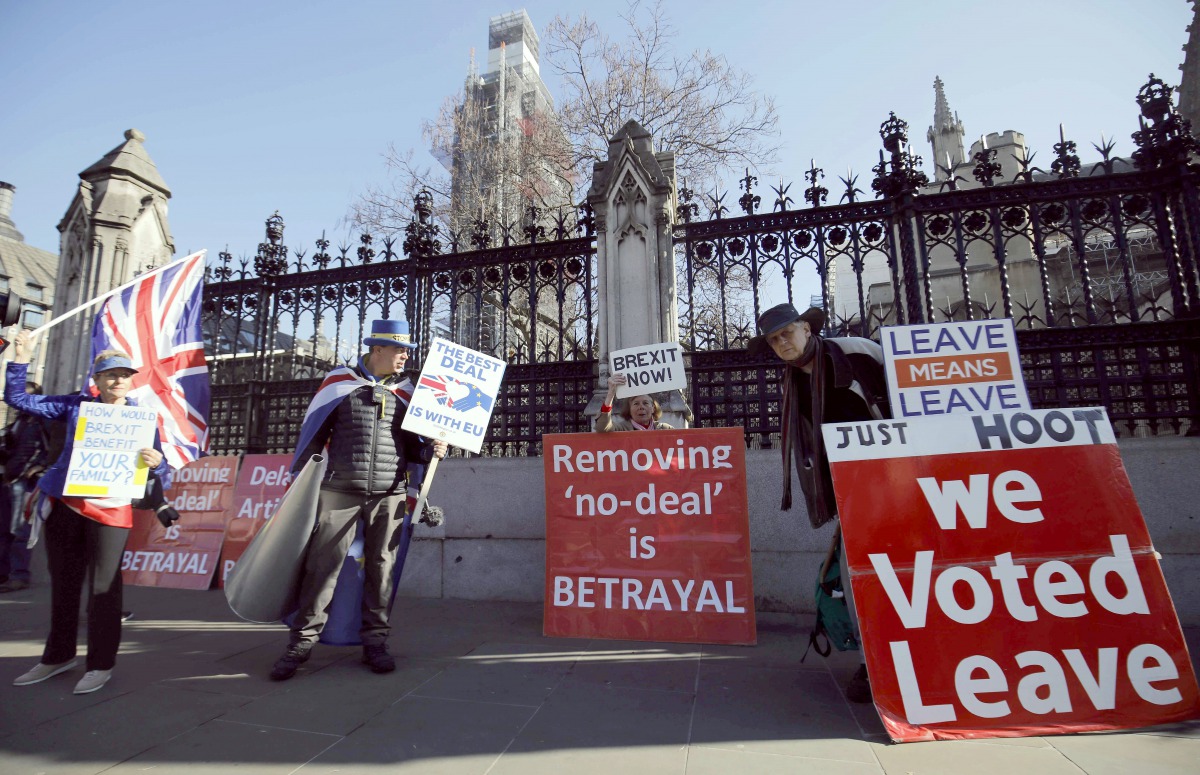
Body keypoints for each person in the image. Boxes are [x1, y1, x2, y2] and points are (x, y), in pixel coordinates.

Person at [271, 319, 446, 681]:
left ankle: (375, 642)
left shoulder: (409, 392)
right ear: (376, 350)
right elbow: (313, 438)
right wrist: (300, 489)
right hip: (339, 491)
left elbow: (416, 450)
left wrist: (433, 448)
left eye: (407, 351)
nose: (405, 357)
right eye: (398, 350)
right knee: (323, 567)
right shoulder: (339, 383)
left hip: (391, 493)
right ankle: (301, 642)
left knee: (382, 569)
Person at [6, 331, 170, 695]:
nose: (118, 380)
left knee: (104, 589)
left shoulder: (143, 419)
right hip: (67, 504)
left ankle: (100, 664)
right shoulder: (72, 405)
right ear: (96, 380)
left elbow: (161, 467)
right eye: (110, 374)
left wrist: (156, 462)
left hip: (111, 510)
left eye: (125, 375)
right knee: (63, 584)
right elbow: (16, 398)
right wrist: (22, 358)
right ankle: (57, 656)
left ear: (131, 380)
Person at [748, 303, 889, 704]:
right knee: (856, 577)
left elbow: (908, 396)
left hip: (899, 479)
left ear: (807, 329)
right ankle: (872, 660)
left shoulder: (858, 352)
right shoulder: (793, 381)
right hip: (853, 492)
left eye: (787, 333)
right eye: (774, 339)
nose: (782, 343)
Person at [0, 380, 47, 593]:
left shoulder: (42, 421)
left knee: (19, 530)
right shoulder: (20, 420)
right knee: (4, 530)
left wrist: (38, 467)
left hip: (25, 482)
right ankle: (4, 573)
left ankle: (19, 575)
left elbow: (53, 447)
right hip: (9, 479)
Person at [594, 373, 674, 432]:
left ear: (653, 408)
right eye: (636, 404)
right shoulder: (621, 429)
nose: (641, 407)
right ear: (629, 409)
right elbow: (602, 428)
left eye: (645, 403)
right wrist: (611, 393)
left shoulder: (666, 429)